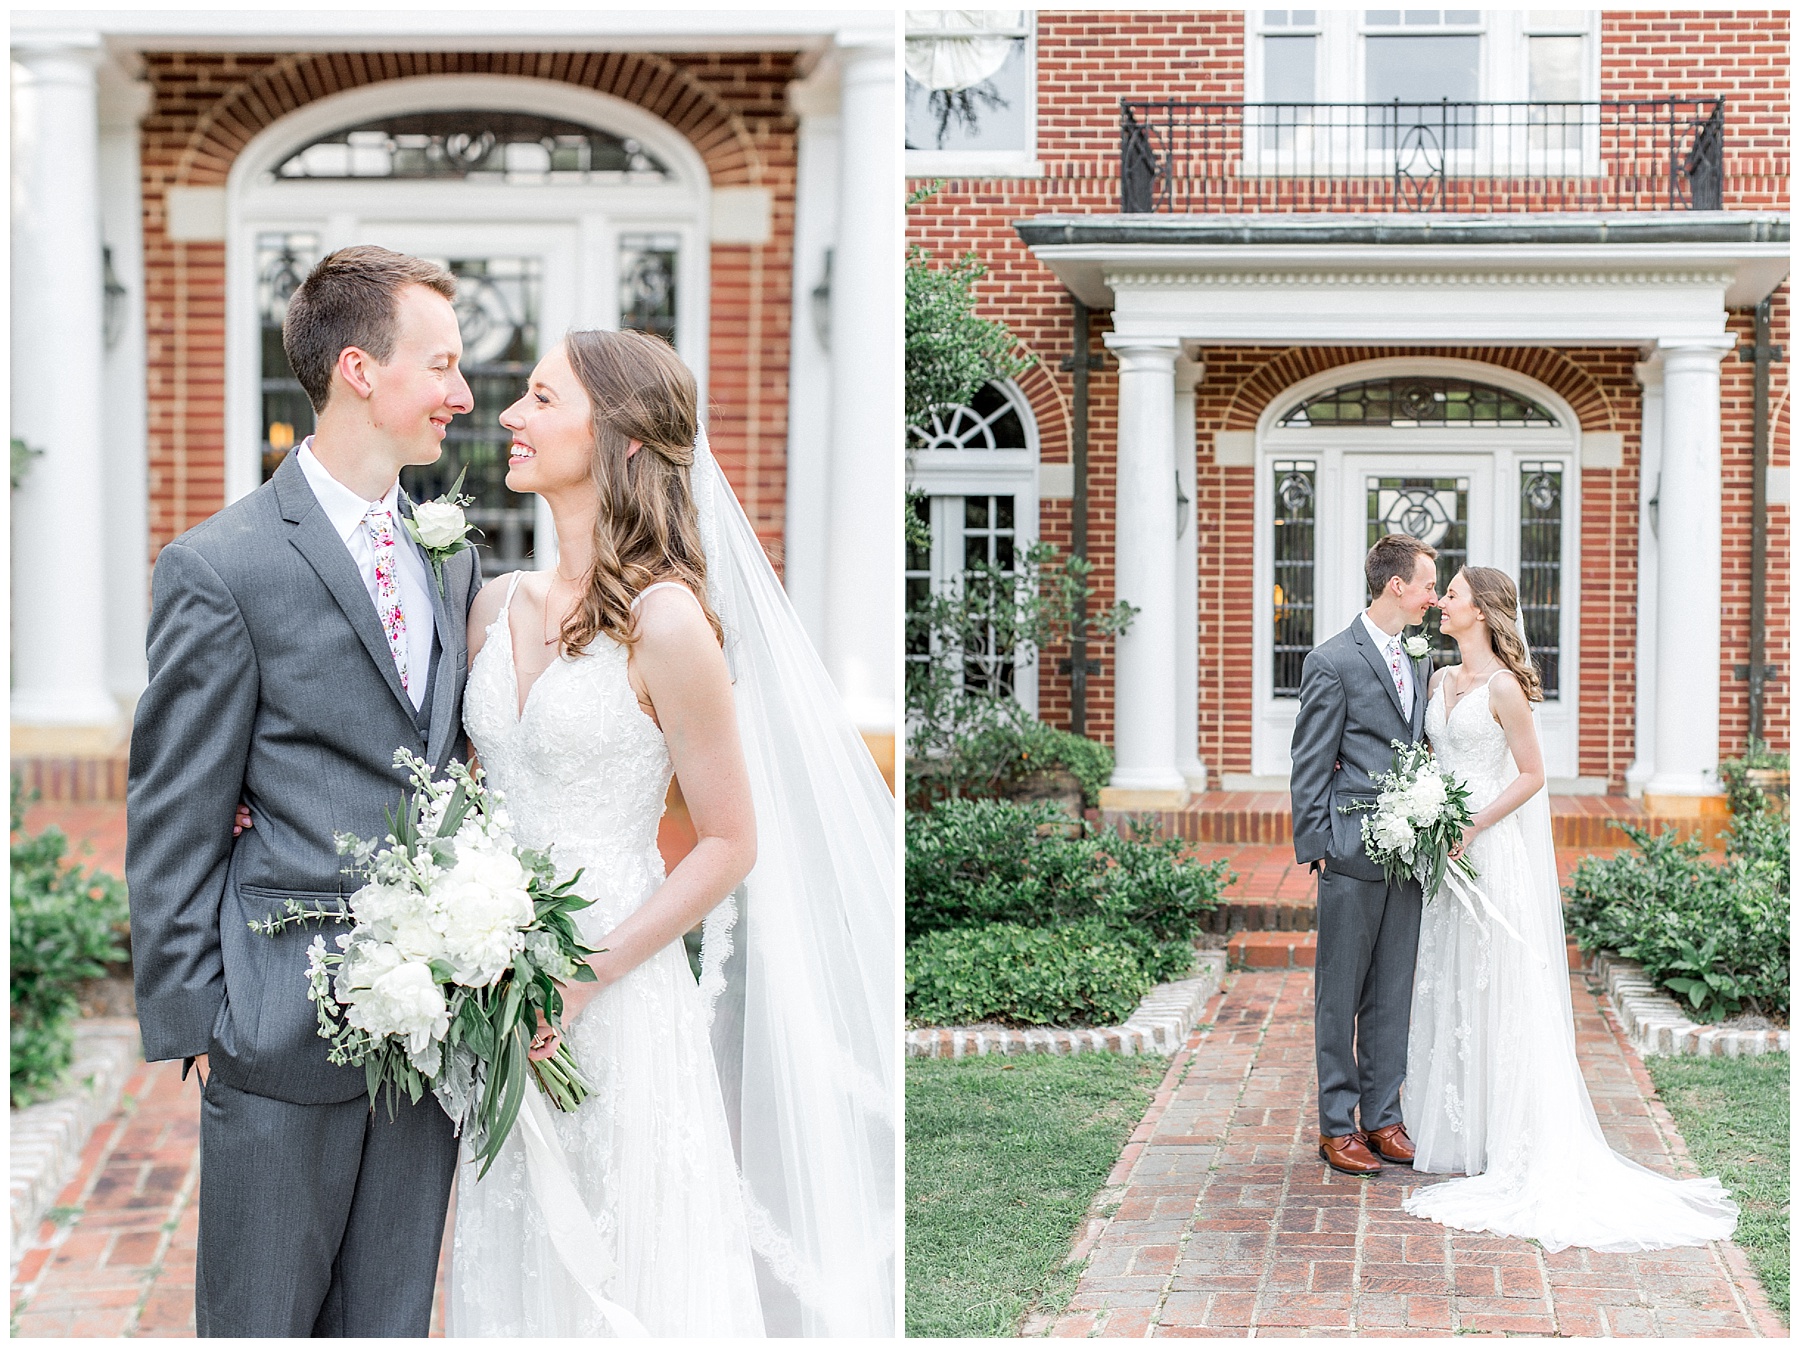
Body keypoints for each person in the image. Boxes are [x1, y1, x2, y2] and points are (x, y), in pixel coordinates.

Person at [448, 329, 895, 1336]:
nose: (510, 415)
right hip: (497, 998)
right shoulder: (489, 607)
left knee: (625, 1269)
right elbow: (455, 795)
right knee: (514, 1262)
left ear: (623, 439)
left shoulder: (668, 622)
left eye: (540, 397)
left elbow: (731, 841)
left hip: (615, 990)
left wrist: (579, 974)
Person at [126, 246, 482, 1335]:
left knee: (388, 1322)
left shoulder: (450, 558)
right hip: (277, 1028)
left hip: (424, 1041)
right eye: (444, 364)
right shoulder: (220, 566)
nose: (464, 393)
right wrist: (208, 1022)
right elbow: (174, 808)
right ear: (361, 370)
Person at [1402, 566, 1739, 1252]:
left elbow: (1531, 776)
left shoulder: (1504, 690)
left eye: (1455, 594)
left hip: (1490, 858)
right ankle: (1462, 1132)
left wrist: (1471, 827)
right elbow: (1430, 763)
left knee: (1501, 988)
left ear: (1484, 611)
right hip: (1446, 860)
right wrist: (1423, 814)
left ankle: (1515, 1139)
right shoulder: (1438, 680)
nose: (1442, 602)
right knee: (1454, 982)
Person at [1289, 533, 1439, 1177]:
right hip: (1351, 850)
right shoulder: (1332, 661)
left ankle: (1383, 1117)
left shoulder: (1424, 657)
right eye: (1429, 584)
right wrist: (1320, 846)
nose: (1435, 596)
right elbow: (1309, 761)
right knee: (1339, 993)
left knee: (1392, 989)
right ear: (1395, 586)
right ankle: (1335, 1124)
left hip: (1408, 852)